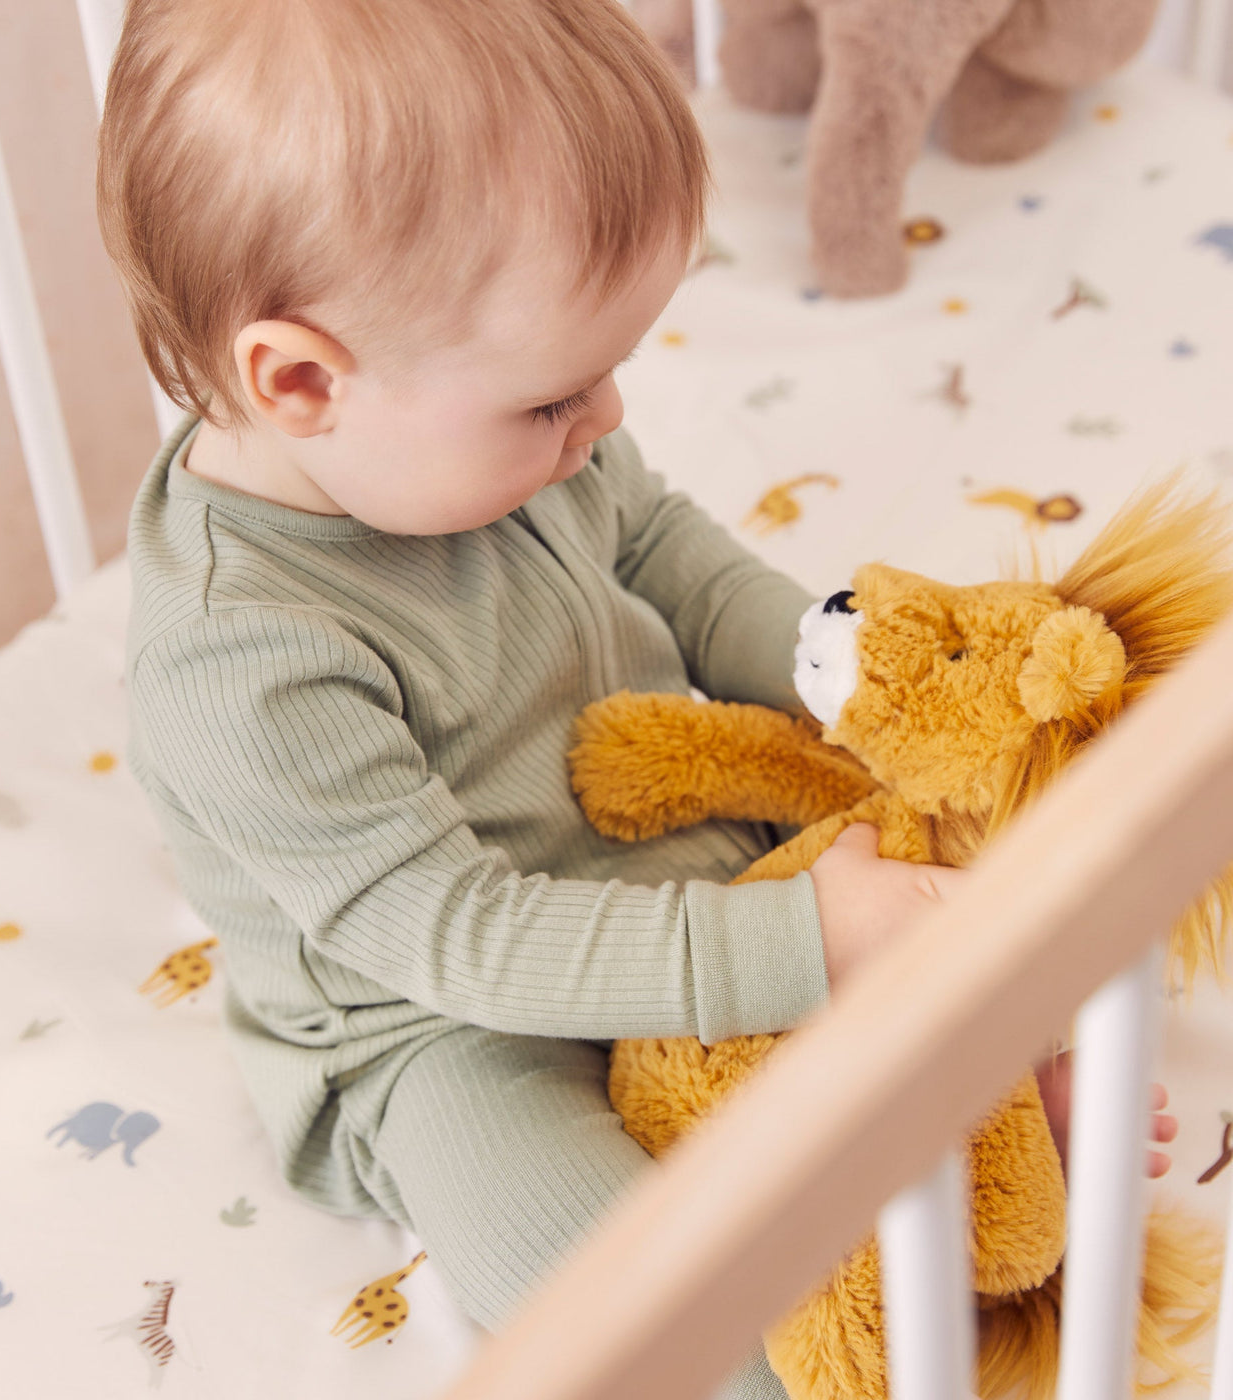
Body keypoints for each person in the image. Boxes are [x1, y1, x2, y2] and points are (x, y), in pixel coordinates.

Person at [97, 2, 1174, 1393]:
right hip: (447, 1028)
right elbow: (462, 941)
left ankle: (981, 1133)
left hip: (658, 828)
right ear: (302, 382)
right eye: (555, 400)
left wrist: (842, 678)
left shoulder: (509, 435)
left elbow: (666, 552)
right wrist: (801, 944)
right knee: (632, 1293)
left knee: (922, 882)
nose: (602, 421)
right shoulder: (240, 661)